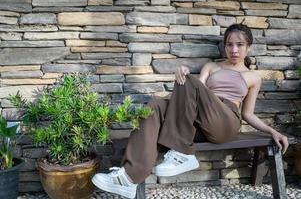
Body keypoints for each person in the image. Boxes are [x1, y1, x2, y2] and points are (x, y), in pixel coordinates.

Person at [91, 23, 289, 199]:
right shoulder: (212, 66)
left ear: (249, 47)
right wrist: (179, 81)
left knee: (189, 81)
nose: (234, 49)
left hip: (226, 121)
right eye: (229, 44)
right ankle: (129, 177)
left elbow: (247, 114)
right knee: (154, 105)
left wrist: (273, 131)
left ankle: (182, 153)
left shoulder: (253, 77)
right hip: (200, 121)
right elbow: (192, 95)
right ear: (225, 45)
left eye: (240, 45)